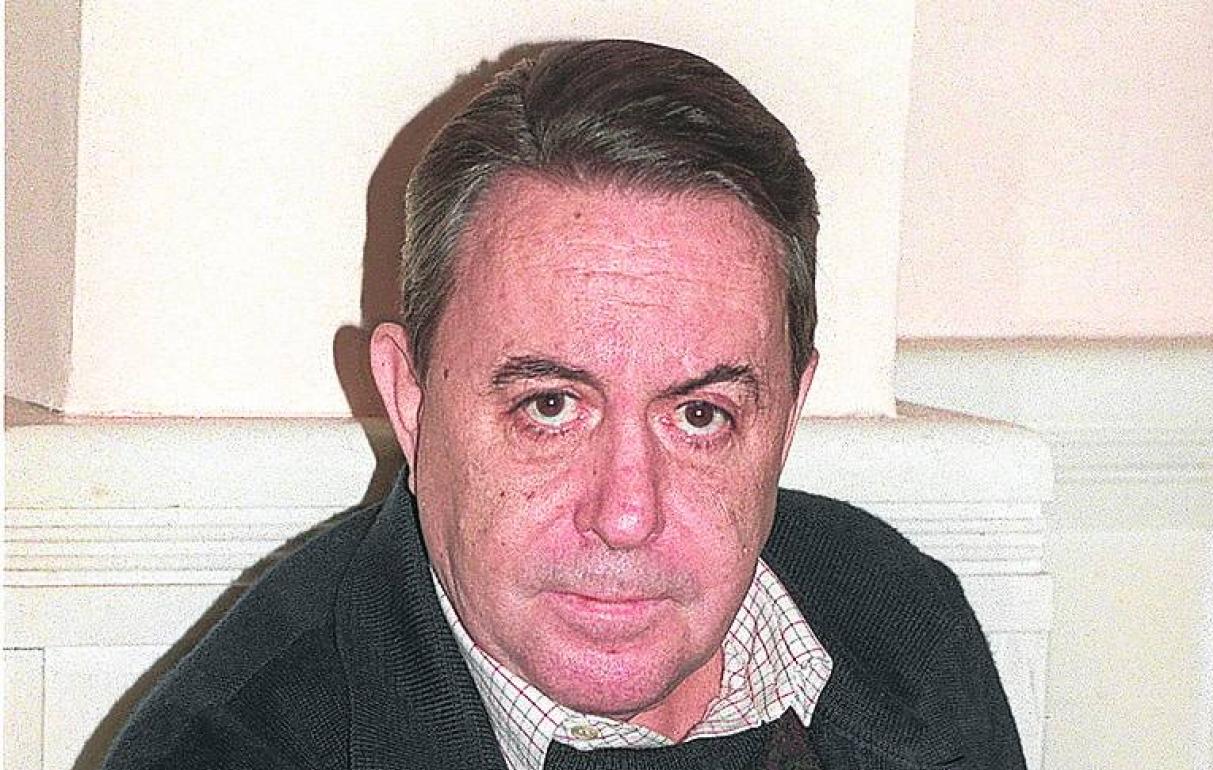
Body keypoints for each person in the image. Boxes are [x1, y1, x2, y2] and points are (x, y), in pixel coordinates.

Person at [102, 39, 1025, 770]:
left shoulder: (891, 614)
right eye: (549, 406)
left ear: (786, 418)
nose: (626, 514)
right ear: (411, 401)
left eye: (700, 415)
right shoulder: (235, 749)